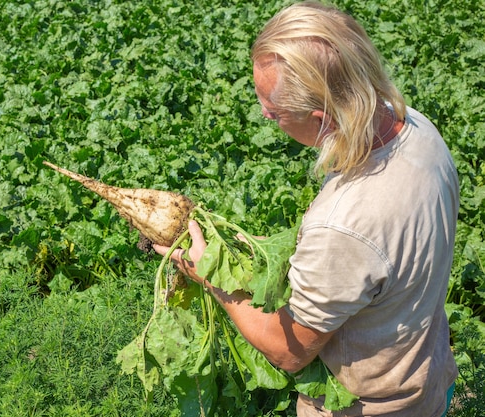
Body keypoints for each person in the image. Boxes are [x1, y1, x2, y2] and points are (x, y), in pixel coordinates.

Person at [153, 1, 459, 416]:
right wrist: (240, 245)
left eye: (274, 112)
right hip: (427, 381)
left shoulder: (345, 222)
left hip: (371, 406)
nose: (263, 114)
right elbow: (365, 265)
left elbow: (288, 349)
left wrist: (212, 277)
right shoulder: (416, 129)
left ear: (323, 120)